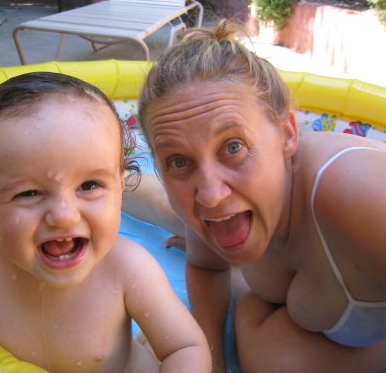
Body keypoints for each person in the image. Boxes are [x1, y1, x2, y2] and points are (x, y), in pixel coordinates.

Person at [0, 72, 212, 373]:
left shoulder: (128, 269)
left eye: (89, 186)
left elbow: (185, 346)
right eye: (28, 193)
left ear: (120, 189)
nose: (63, 215)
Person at [131, 19, 386, 372]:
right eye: (178, 160)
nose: (210, 194)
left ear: (287, 133)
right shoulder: (218, 206)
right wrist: (208, 357)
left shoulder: (363, 195)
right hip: (274, 293)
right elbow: (206, 266)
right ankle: (110, 178)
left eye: (233, 147)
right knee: (169, 207)